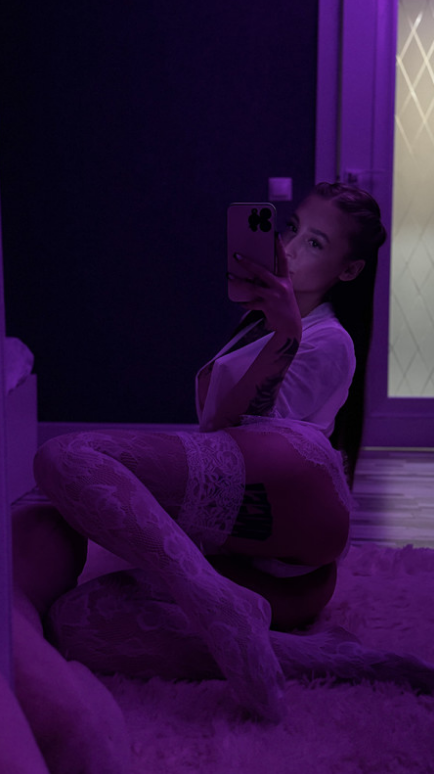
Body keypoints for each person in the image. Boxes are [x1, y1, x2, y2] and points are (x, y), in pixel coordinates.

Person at [17, 181, 434, 748]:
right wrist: (274, 327)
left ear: (350, 270)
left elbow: (248, 438)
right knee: (78, 622)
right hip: (273, 569)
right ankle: (318, 654)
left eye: (315, 243)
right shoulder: (267, 319)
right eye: (292, 230)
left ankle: (215, 602)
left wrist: (284, 337)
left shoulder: (329, 339)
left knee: (64, 456)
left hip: (296, 507)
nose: (289, 249)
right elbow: (222, 443)